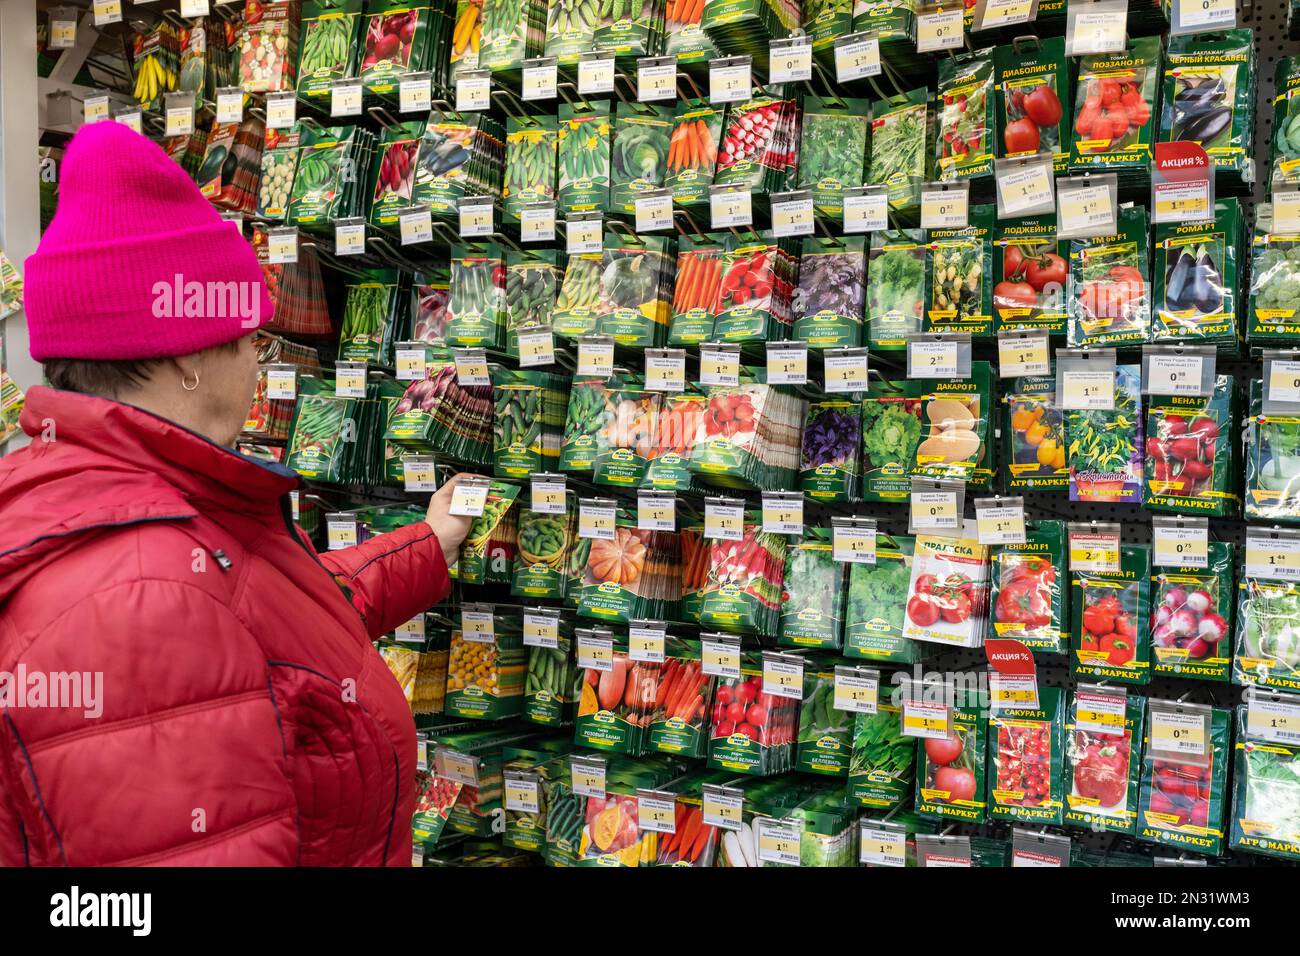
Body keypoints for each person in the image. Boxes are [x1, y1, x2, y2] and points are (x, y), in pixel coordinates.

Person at [0, 122, 471, 865]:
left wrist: (428, 545)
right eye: (253, 338)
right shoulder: (139, 599)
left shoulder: (125, 508)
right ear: (187, 356)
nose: (260, 359)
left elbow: (270, 624)